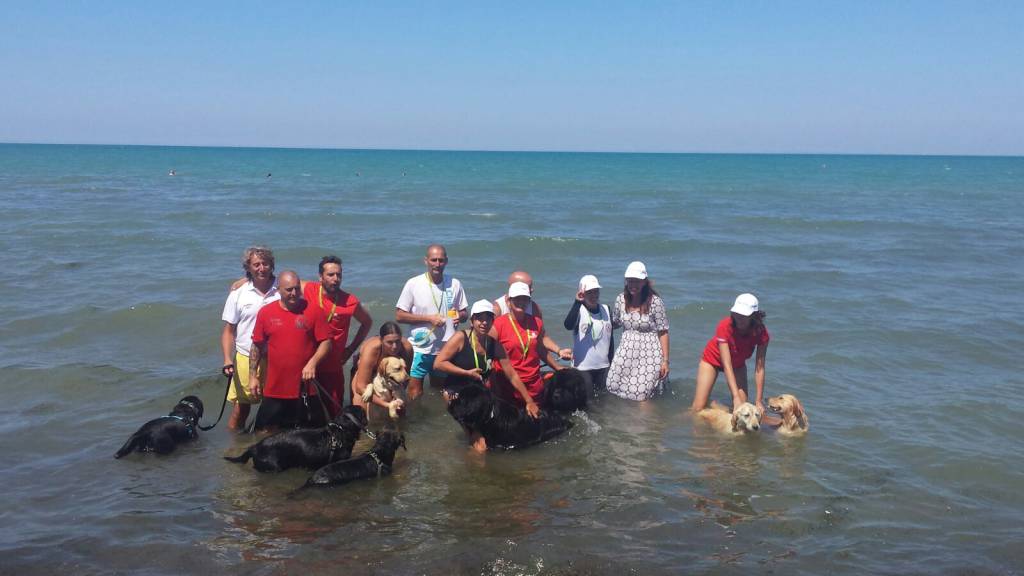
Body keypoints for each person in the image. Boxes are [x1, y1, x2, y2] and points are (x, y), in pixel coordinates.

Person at [249, 271, 331, 432]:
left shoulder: (314, 310)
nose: (294, 293)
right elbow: (256, 345)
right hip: (275, 388)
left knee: (314, 434)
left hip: (306, 387)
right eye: (288, 290)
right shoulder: (266, 312)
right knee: (264, 434)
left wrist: (312, 363)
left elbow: (326, 343)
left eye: (296, 288)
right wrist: (253, 377)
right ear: (278, 290)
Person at [395, 244, 468, 399]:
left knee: (440, 391)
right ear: (426, 261)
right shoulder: (413, 284)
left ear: (446, 261)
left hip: (445, 349)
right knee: (415, 392)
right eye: (433, 260)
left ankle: (436, 420)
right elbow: (400, 316)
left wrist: (460, 316)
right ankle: (415, 421)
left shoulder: (455, 284)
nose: (437, 264)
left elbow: (465, 313)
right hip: (419, 349)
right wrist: (428, 318)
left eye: (441, 260)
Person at [301, 255, 372, 415]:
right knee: (306, 411)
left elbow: (367, 323)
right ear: (320, 276)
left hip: (333, 365)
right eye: (330, 275)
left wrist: (350, 349)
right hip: (306, 362)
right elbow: (281, 282)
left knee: (334, 411)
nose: (336, 279)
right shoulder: (309, 289)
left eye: (339, 275)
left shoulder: (350, 301)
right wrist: (247, 281)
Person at [220, 246, 280, 431]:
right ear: (248, 267)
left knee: (275, 407)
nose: (261, 268)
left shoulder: (283, 288)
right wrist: (227, 359)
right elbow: (229, 331)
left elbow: (305, 285)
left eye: (265, 263)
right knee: (242, 408)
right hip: (245, 357)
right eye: (256, 264)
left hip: (277, 358)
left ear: (272, 265)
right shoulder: (238, 293)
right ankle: (234, 445)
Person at [490, 282, 573, 415]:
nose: (521, 302)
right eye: (517, 298)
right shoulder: (498, 325)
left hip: (534, 387)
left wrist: (557, 367)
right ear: (508, 301)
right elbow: (484, 351)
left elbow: (540, 349)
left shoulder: (536, 322)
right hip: (508, 389)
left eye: (525, 298)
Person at [691, 293, 769, 414]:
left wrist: (758, 401)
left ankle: (715, 405)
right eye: (737, 314)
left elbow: (760, 368)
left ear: (754, 316)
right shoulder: (724, 326)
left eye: (744, 315)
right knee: (698, 408)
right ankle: (706, 406)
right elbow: (727, 365)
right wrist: (735, 397)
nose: (739, 318)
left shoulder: (761, 333)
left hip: (737, 364)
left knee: (741, 408)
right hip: (712, 360)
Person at [605, 262, 670, 401]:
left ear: (644, 282)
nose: (633, 285)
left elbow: (663, 331)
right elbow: (614, 322)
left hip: (650, 354)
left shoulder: (655, 302)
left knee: (641, 394)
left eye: (637, 281)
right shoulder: (621, 299)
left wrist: (665, 361)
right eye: (630, 281)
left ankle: (647, 422)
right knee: (613, 384)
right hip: (626, 350)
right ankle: (621, 421)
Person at [434, 299, 501, 399]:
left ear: (492, 322)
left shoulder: (493, 343)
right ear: (472, 321)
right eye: (480, 319)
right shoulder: (460, 337)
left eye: (488, 319)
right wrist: (466, 373)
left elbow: (510, 372)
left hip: (479, 391)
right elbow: (438, 364)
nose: (484, 322)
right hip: (456, 390)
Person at [562, 274, 614, 395]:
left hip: (603, 366)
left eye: (596, 291)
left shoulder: (606, 309)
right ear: (582, 293)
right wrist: (576, 302)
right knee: (589, 403)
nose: (594, 295)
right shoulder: (578, 310)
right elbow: (568, 325)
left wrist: (610, 362)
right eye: (589, 292)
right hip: (583, 368)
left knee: (603, 401)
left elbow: (610, 338)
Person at [351, 322, 415, 410]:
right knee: (360, 411)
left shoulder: (407, 348)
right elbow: (360, 387)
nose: (394, 346)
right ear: (381, 340)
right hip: (365, 376)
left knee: (400, 411)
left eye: (397, 341)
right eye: (389, 342)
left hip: (389, 378)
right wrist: (387, 405)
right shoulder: (372, 349)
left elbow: (404, 379)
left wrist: (396, 397)